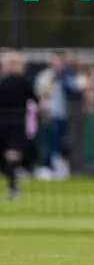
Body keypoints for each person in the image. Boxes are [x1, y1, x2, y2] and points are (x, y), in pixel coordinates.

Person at [0, 51, 37, 199]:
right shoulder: (24, 82)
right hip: (17, 120)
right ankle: (13, 186)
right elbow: (34, 99)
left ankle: (12, 183)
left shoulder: (2, 82)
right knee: (13, 153)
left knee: (6, 154)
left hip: (2, 119)